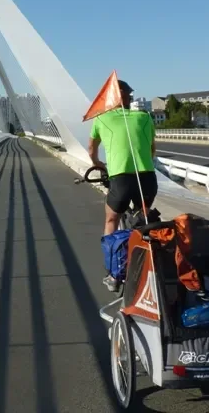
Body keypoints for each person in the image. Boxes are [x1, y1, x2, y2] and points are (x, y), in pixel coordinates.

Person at [88, 80, 159, 291]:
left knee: (111, 219)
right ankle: (151, 265)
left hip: (121, 179)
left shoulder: (101, 118)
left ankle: (113, 274)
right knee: (144, 220)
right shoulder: (145, 117)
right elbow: (152, 149)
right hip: (146, 177)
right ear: (129, 97)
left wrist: (98, 164)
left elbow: (92, 148)